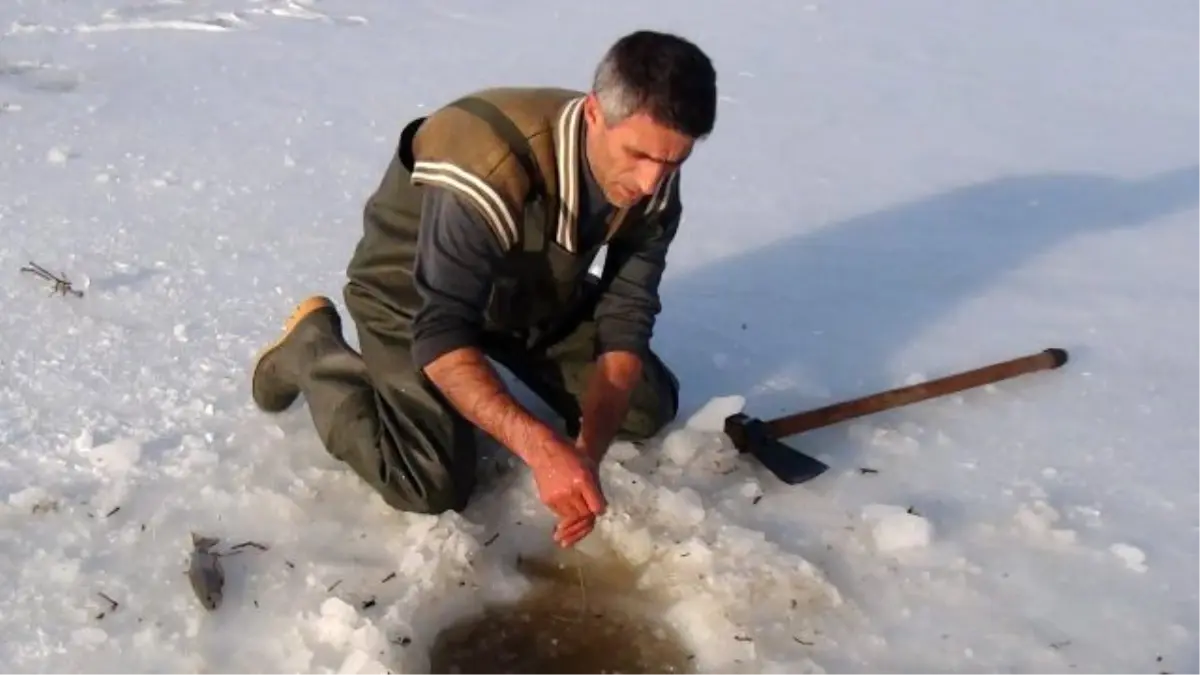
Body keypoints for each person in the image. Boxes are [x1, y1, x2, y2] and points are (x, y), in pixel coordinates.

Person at [250, 29, 717, 548]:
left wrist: (586, 453)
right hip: (411, 294)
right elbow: (442, 331)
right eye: (638, 156)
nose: (651, 182)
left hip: (529, 290)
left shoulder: (652, 172)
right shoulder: (487, 161)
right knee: (429, 482)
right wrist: (541, 448)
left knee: (643, 406)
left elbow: (626, 317)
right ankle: (312, 351)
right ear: (592, 115)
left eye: (673, 161)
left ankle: (498, 360)